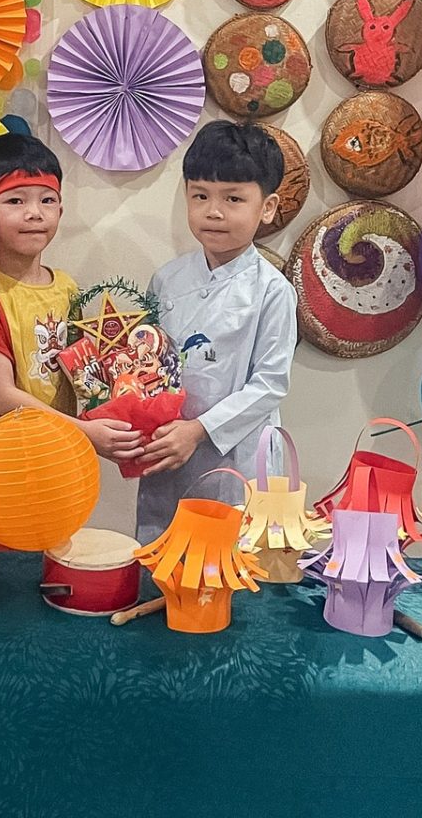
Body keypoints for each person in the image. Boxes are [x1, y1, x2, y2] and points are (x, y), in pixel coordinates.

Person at [135, 121, 297, 546]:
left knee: (229, 558)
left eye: (233, 198)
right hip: (170, 446)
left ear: (267, 207)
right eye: (200, 195)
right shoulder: (167, 279)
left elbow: (269, 384)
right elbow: (148, 362)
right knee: (165, 550)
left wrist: (199, 430)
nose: (214, 211)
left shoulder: (273, 290)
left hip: (237, 454)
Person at [0, 134, 143, 470]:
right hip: (0, 461)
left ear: (60, 210)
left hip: (54, 450)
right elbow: (3, 396)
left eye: (47, 200)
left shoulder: (65, 287)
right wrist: (85, 432)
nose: (35, 213)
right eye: (15, 201)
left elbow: (81, 370)